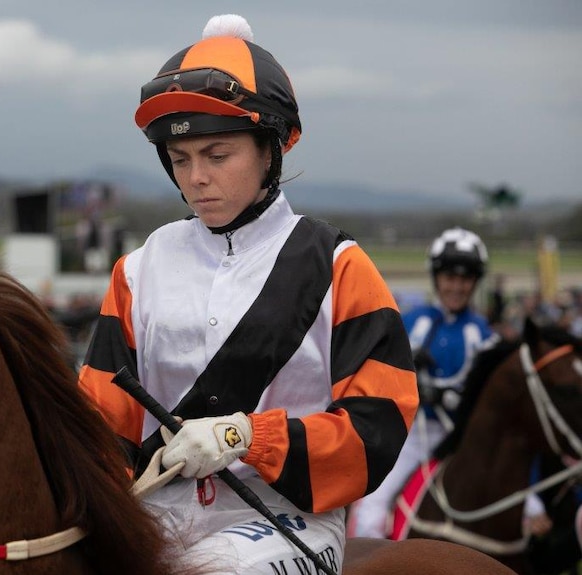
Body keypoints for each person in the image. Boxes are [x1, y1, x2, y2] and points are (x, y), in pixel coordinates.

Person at [78, 14, 418, 573]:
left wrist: (245, 435)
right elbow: (99, 422)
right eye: (180, 160)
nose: (196, 179)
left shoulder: (339, 265)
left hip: (294, 514)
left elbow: (378, 426)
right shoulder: (137, 269)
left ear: (270, 150)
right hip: (154, 507)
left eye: (217, 156)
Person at [348, 227, 503, 537]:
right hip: (411, 436)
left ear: (475, 282)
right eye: (449, 277)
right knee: (369, 512)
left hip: (460, 439)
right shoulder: (411, 322)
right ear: (436, 277)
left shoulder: (485, 336)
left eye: (465, 279)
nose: (456, 287)